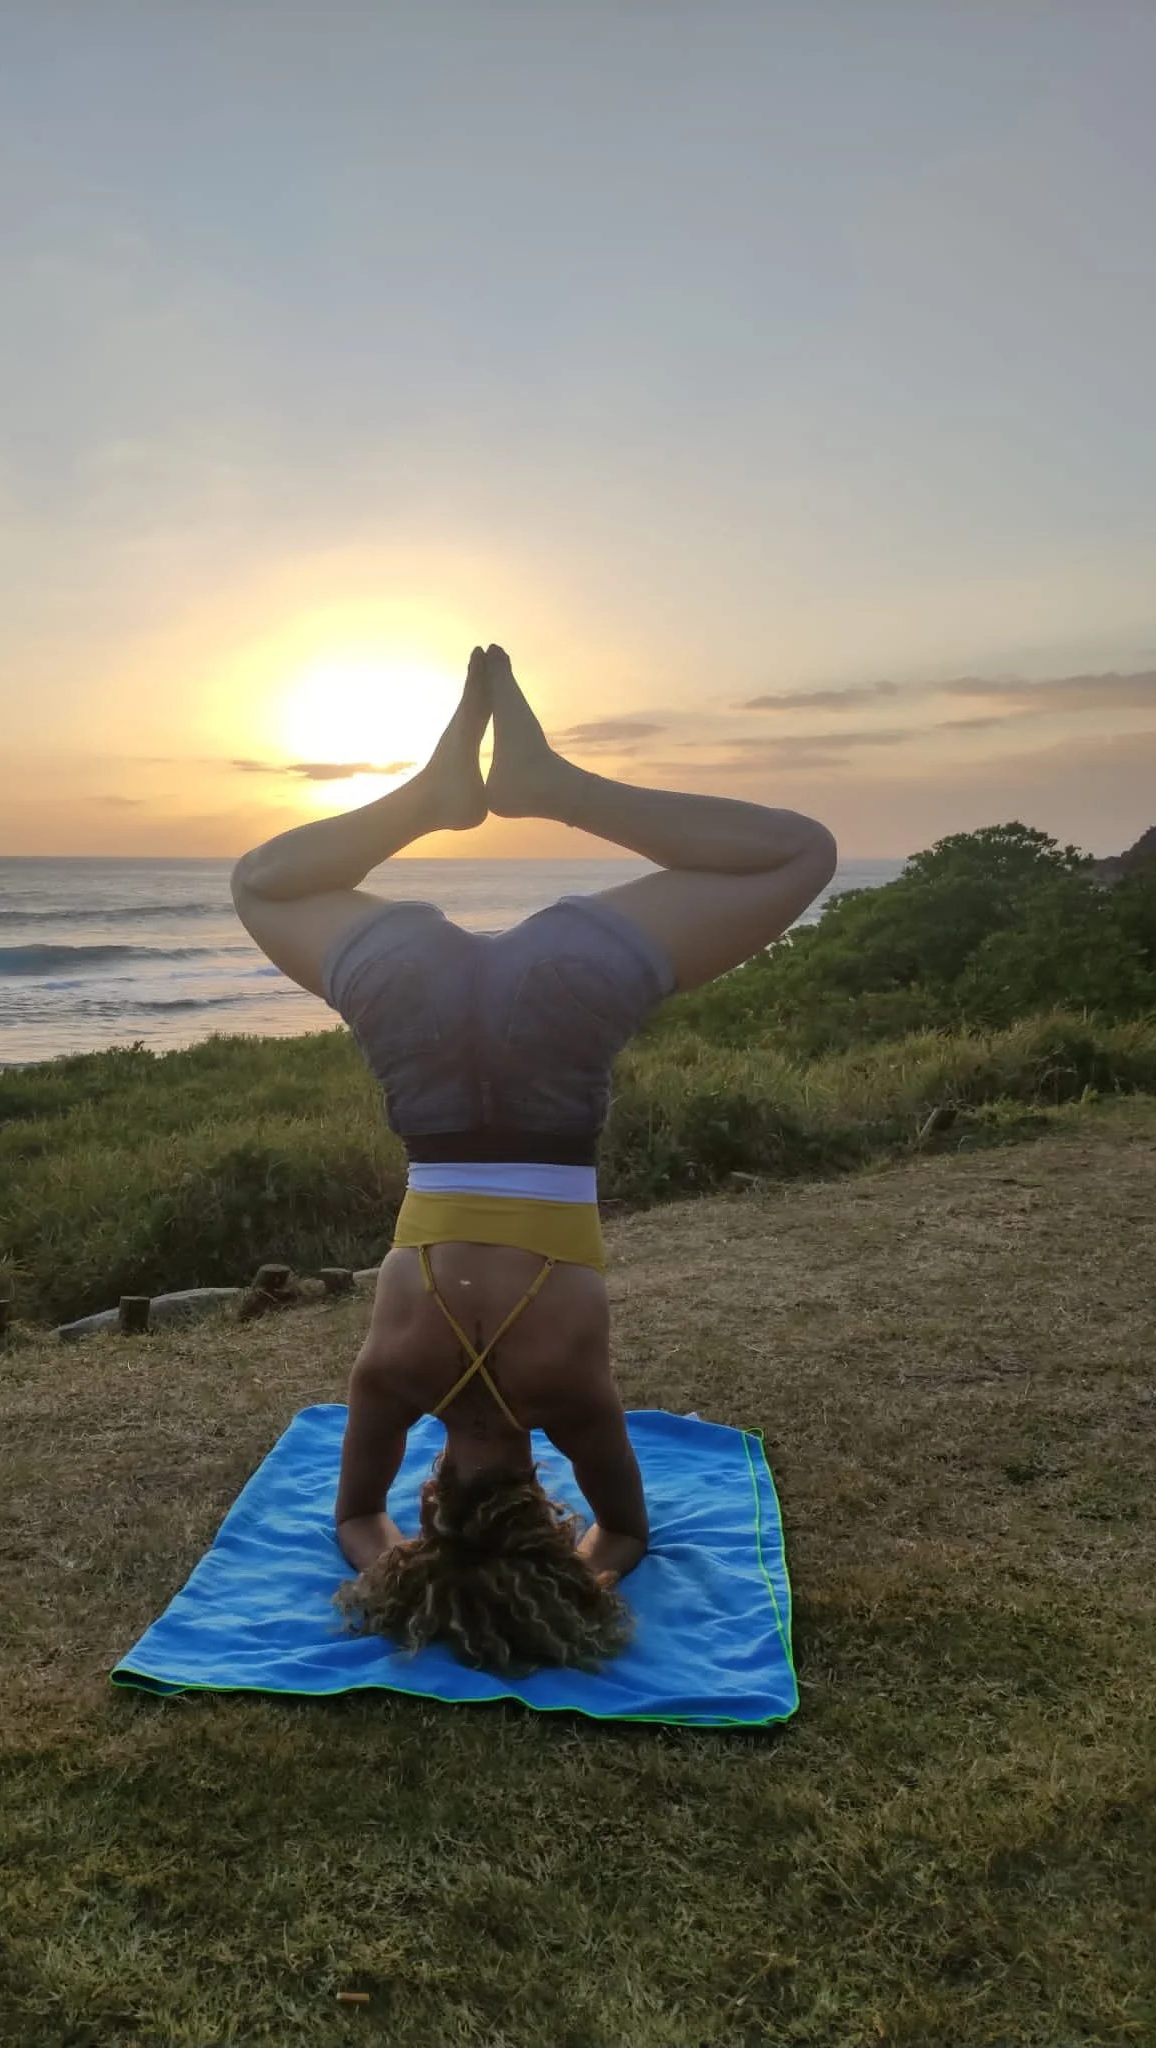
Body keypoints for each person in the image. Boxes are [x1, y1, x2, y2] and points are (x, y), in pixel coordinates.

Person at [231, 645, 836, 1676]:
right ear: (436, 1499)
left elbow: (625, 1537)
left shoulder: (572, 1399)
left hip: (557, 1031)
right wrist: (410, 1570)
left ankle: (555, 788)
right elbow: (355, 1520)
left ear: (541, 1508)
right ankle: (435, 797)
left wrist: (566, 1577)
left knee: (799, 854)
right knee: (259, 884)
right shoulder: (390, 1379)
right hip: (421, 1037)